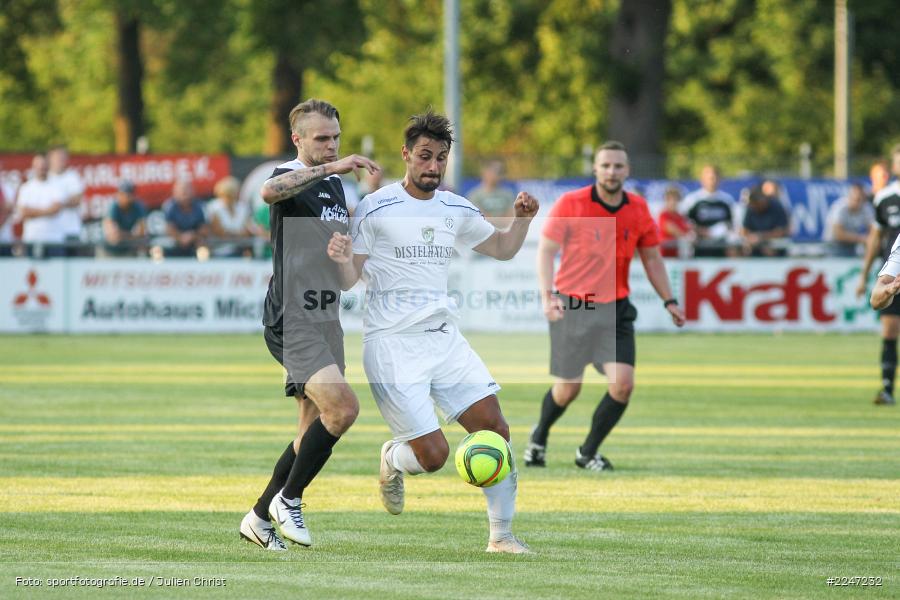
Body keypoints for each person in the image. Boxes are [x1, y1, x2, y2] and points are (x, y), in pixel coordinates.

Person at [328, 110, 538, 554]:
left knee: (495, 429)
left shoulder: (455, 207)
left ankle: (501, 537)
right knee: (435, 457)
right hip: (391, 347)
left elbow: (501, 248)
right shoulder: (375, 207)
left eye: (441, 158)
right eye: (425, 156)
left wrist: (521, 220)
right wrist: (342, 256)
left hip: (443, 339)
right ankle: (393, 457)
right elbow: (350, 281)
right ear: (406, 155)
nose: (433, 166)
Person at [238, 98, 379, 550]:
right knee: (344, 409)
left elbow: (348, 278)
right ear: (297, 139)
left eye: (336, 137)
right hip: (292, 317)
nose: (331, 145)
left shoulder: (339, 190)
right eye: (322, 138)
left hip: (326, 315)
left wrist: (345, 260)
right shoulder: (290, 176)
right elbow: (269, 194)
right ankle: (289, 499)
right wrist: (332, 165)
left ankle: (259, 517)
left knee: (309, 428)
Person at [522, 141, 685, 473]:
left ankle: (587, 452)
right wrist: (546, 296)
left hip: (616, 308)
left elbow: (652, 258)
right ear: (595, 169)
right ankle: (539, 437)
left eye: (618, 166)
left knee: (622, 385)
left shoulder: (638, 209)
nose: (612, 171)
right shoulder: (572, 203)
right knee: (568, 389)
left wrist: (670, 300)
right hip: (575, 306)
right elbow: (546, 252)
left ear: (627, 170)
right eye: (606, 165)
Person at [858, 144, 900, 406]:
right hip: (893, 279)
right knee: (890, 329)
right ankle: (887, 388)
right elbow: (875, 299)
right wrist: (886, 289)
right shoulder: (884, 197)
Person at [16, 154, 68, 257]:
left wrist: (33, 211)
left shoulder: (57, 185)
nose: (41, 168)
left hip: (54, 239)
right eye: (38, 165)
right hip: (32, 239)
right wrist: (47, 210)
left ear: (48, 166)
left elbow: (56, 209)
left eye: (43, 165)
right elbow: (24, 212)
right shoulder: (26, 188)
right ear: (33, 166)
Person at [682, 164, 738, 257]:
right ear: (702, 179)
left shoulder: (727, 200)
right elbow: (685, 223)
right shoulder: (692, 199)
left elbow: (733, 224)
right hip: (699, 247)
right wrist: (703, 232)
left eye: (715, 178)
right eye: (710, 178)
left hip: (721, 247)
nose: (713, 181)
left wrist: (721, 231)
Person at [47, 145, 85, 256]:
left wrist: (59, 204)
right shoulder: (46, 178)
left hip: (70, 231)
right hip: (50, 233)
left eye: (63, 158)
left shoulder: (73, 177)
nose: (61, 161)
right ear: (50, 159)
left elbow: (77, 199)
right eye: (57, 157)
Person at [206, 176, 255, 257]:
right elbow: (218, 232)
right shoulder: (213, 207)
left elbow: (247, 232)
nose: (229, 197)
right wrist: (239, 235)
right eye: (226, 194)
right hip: (218, 252)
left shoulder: (243, 207)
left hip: (241, 252)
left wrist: (231, 235)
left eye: (231, 194)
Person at [739, 185, 790, 257]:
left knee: (768, 249)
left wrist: (760, 237)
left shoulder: (776, 207)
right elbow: (744, 230)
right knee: (741, 248)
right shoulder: (751, 209)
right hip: (754, 246)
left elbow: (781, 232)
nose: (756, 207)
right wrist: (750, 238)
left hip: (774, 245)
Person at [163, 177, 208, 257]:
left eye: (187, 190)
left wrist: (193, 236)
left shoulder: (200, 206)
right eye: (182, 190)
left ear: (193, 191)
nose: (185, 193)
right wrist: (180, 237)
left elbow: (204, 229)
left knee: (203, 245)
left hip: (194, 240)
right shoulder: (169, 206)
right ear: (175, 192)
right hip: (175, 240)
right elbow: (169, 229)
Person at [826, 183, 874, 257]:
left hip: (852, 247)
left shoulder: (866, 207)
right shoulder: (839, 207)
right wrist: (864, 239)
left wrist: (871, 239)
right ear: (849, 197)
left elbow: (874, 230)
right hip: (832, 247)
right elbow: (838, 235)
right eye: (855, 199)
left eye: (861, 199)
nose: (858, 202)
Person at [103, 180, 147, 256]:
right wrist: (131, 236)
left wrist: (123, 235)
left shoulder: (138, 206)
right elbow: (113, 237)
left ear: (132, 196)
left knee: (143, 245)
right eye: (120, 194)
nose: (121, 197)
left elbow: (141, 233)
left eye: (125, 195)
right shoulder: (113, 207)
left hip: (128, 250)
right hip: (109, 252)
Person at [467, 159, 516, 227]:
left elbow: (512, 217)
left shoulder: (508, 194)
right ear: (485, 172)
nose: (499, 175)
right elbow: (481, 218)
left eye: (501, 171)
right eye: (496, 171)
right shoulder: (474, 195)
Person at [657, 186, 693, 257]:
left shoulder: (680, 216)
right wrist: (687, 237)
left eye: (675, 199)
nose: (673, 202)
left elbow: (688, 228)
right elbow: (672, 229)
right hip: (664, 254)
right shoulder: (663, 215)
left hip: (677, 254)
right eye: (670, 199)